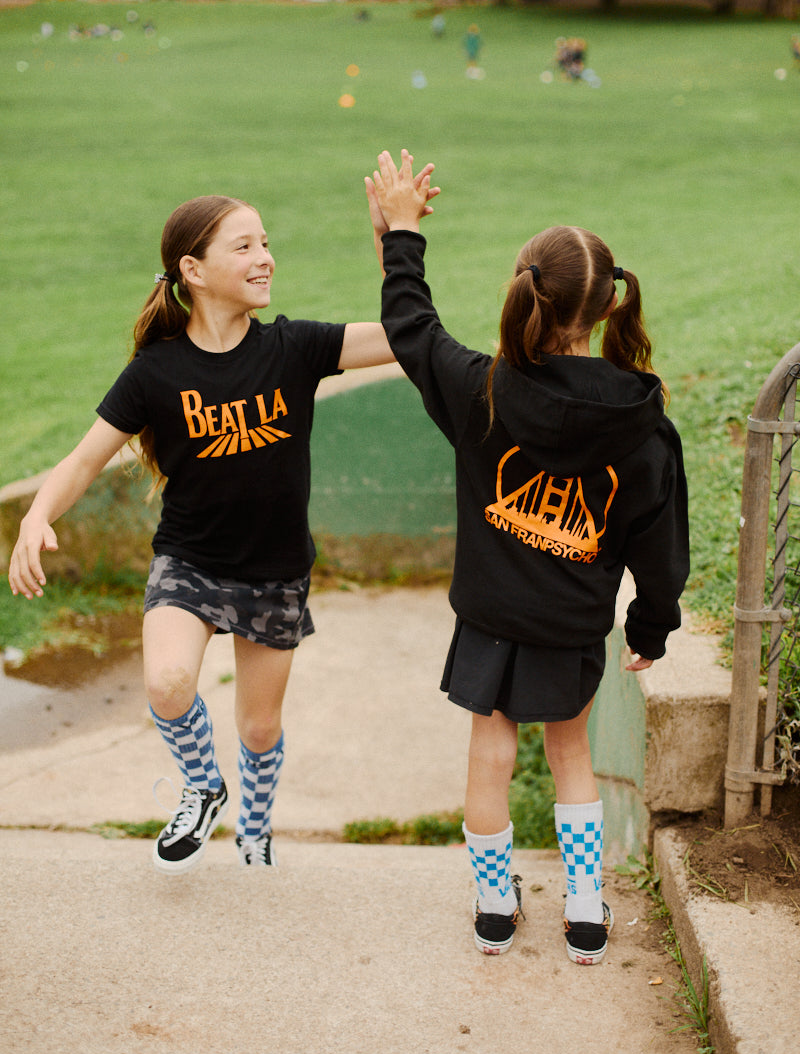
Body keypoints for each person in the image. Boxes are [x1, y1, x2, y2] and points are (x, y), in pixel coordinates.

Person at [8, 177, 438, 874]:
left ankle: (256, 831)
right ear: (193, 270)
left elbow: (406, 338)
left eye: (266, 242)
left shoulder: (295, 348)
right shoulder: (156, 372)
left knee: (260, 726)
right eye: (245, 246)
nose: (265, 256)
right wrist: (35, 514)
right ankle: (204, 787)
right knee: (169, 683)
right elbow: (85, 458)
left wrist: (394, 241)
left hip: (274, 570)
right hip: (190, 562)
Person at [365, 150, 689, 963]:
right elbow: (662, 548)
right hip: (572, 623)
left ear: (521, 290)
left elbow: (411, 329)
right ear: (611, 303)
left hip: (488, 618)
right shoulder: (644, 431)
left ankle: (493, 911)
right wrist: (651, 627)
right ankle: (585, 911)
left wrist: (399, 233)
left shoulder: (481, 389)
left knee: (492, 751)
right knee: (570, 751)